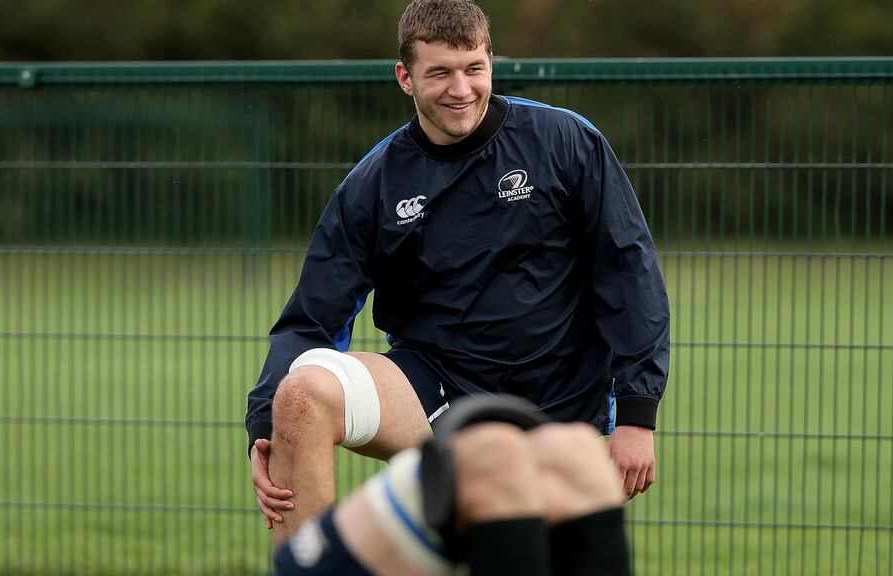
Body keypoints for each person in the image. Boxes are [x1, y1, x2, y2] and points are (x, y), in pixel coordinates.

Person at [246, 0, 670, 545]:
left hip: (559, 408)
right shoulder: (376, 182)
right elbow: (310, 319)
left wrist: (637, 413)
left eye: (474, 68)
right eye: (439, 73)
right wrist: (266, 428)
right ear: (405, 77)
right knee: (301, 396)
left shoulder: (564, 142)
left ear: (491, 62)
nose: (461, 89)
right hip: (434, 390)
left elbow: (629, 272)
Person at [274, 418, 631, 576]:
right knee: (497, 456)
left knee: (578, 452)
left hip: (525, 404)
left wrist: (638, 410)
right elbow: (313, 315)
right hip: (422, 385)